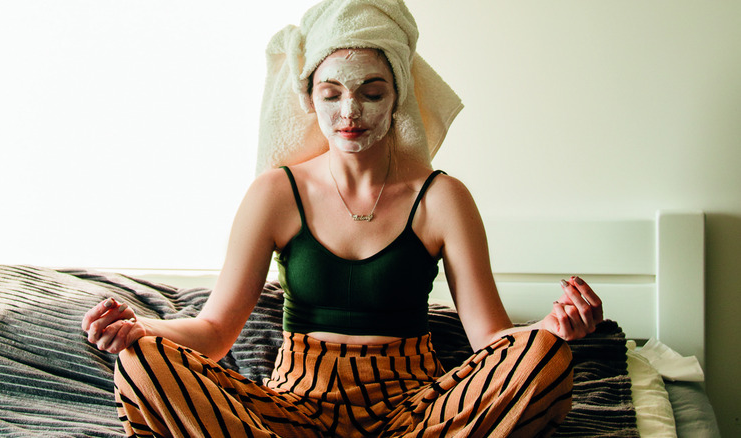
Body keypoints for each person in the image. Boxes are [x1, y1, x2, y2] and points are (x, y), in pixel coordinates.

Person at [82, 1, 603, 436]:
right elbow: (216, 331)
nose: (349, 111)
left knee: (546, 361)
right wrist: (139, 328)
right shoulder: (275, 193)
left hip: (415, 412)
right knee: (143, 363)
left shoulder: (443, 198)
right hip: (291, 411)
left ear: (397, 96)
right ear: (309, 97)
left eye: (371, 92)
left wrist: (552, 328)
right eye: (331, 93)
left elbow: (490, 339)